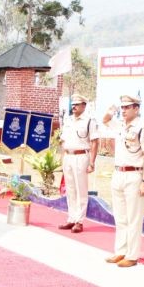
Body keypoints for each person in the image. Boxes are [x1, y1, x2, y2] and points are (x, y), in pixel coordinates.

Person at [101, 94, 144, 268]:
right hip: (118, 173)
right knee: (120, 217)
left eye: (127, 107)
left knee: (133, 218)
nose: (123, 110)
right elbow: (105, 119)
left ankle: (132, 255)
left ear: (136, 108)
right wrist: (111, 110)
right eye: (122, 107)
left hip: (134, 175)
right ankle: (121, 251)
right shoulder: (121, 126)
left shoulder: (143, 128)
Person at [58, 94, 99, 234]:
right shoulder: (68, 120)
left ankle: (79, 221)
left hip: (81, 156)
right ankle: (71, 218)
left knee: (81, 189)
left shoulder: (89, 121)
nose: (73, 106)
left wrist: (92, 162)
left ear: (84, 105)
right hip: (68, 156)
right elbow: (63, 141)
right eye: (72, 104)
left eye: (76, 104)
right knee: (70, 189)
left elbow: (94, 142)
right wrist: (62, 158)